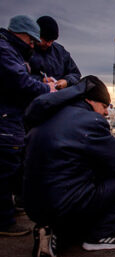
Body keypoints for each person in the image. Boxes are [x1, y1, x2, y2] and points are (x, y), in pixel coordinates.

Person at [23, 76, 115, 257]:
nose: (105, 112)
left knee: (68, 179)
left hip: (32, 205)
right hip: (65, 203)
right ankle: (100, 235)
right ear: (89, 100)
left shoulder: (46, 115)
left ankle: (50, 231)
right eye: (104, 106)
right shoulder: (91, 121)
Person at [0, 15, 56, 237]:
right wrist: (48, 90)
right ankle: (4, 221)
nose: (33, 45)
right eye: (31, 41)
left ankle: (8, 210)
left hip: (11, 118)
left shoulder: (10, 50)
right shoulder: (5, 51)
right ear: (19, 35)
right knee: (4, 169)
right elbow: (19, 81)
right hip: (5, 119)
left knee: (10, 166)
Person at [29, 16, 81, 90]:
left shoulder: (60, 51)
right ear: (37, 34)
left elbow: (76, 74)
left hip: (58, 96)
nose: (48, 44)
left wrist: (66, 81)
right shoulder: (25, 49)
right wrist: (40, 80)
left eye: (51, 41)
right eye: (46, 40)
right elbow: (17, 76)